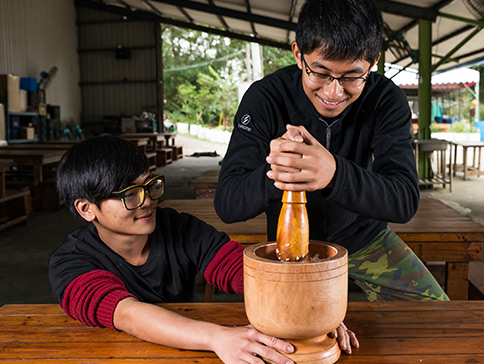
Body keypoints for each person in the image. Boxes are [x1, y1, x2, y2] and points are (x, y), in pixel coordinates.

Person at [214, 0, 449, 304]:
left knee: (436, 317)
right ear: (298, 54)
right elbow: (227, 205)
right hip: (290, 246)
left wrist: (335, 174)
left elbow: (404, 200)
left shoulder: (386, 99)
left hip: (366, 241)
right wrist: (278, 171)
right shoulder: (265, 97)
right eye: (321, 73)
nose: (334, 92)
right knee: (288, 335)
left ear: (373, 62)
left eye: (353, 76)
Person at [50, 135, 341, 364]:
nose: (148, 200)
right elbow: (127, 314)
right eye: (130, 194)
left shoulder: (180, 227)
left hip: (188, 351)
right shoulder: (71, 263)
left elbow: (242, 271)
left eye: (150, 185)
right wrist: (218, 338)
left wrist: (310, 310)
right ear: (86, 209)